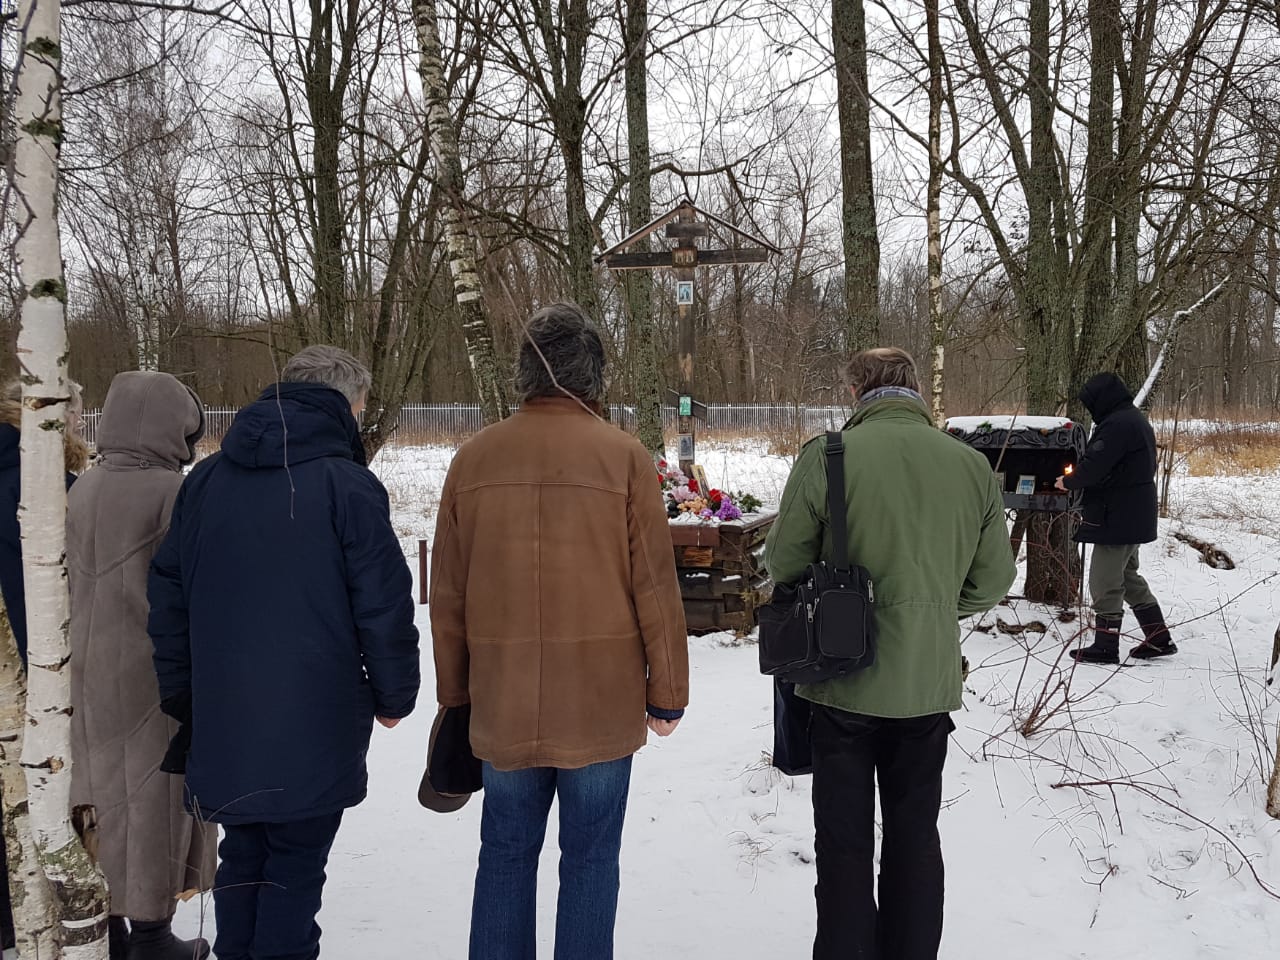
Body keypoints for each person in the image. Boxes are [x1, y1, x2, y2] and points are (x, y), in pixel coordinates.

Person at [430, 302, 689, 960]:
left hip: (503, 700)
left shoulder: (473, 460)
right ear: (594, 374)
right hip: (600, 704)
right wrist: (668, 694)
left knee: (504, 855)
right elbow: (656, 587)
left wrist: (456, 696)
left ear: (524, 371)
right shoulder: (624, 457)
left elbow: (448, 596)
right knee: (592, 860)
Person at [148, 346, 420, 960]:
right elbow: (382, 602)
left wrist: (184, 690)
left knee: (244, 852)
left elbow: (167, 595)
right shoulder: (347, 486)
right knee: (295, 860)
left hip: (226, 710)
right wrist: (395, 693)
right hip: (314, 712)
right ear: (346, 404)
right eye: (361, 407)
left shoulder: (207, 481)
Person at [765, 347, 1016, 960]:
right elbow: (994, 579)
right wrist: (933, 612)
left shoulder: (829, 456)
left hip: (841, 680)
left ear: (856, 392)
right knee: (915, 837)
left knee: (843, 843)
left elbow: (783, 563)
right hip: (925, 685)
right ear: (916, 391)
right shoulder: (970, 465)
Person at [68, 371, 216, 960]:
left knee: (97, 796)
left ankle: (111, 931)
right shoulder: (175, 494)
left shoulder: (81, 488)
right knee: (156, 799)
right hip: (154, 671)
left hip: (83, 670)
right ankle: (153, 938)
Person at [0, 377, 89, 951]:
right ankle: (42, 911)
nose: (80, 423)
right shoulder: (50, 486)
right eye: (76, 413)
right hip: (42, 663)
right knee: (43, 789)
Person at [1055, 371, 1174, 663]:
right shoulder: (1133, 419)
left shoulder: (1117, 425)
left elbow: (1096, 465)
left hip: (1117, 515)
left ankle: (1105, 646)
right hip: (1133, 513)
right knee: (1127, 576)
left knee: (1104, 580)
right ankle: (1159, 638)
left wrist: (1067, 481)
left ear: (1102, 400)